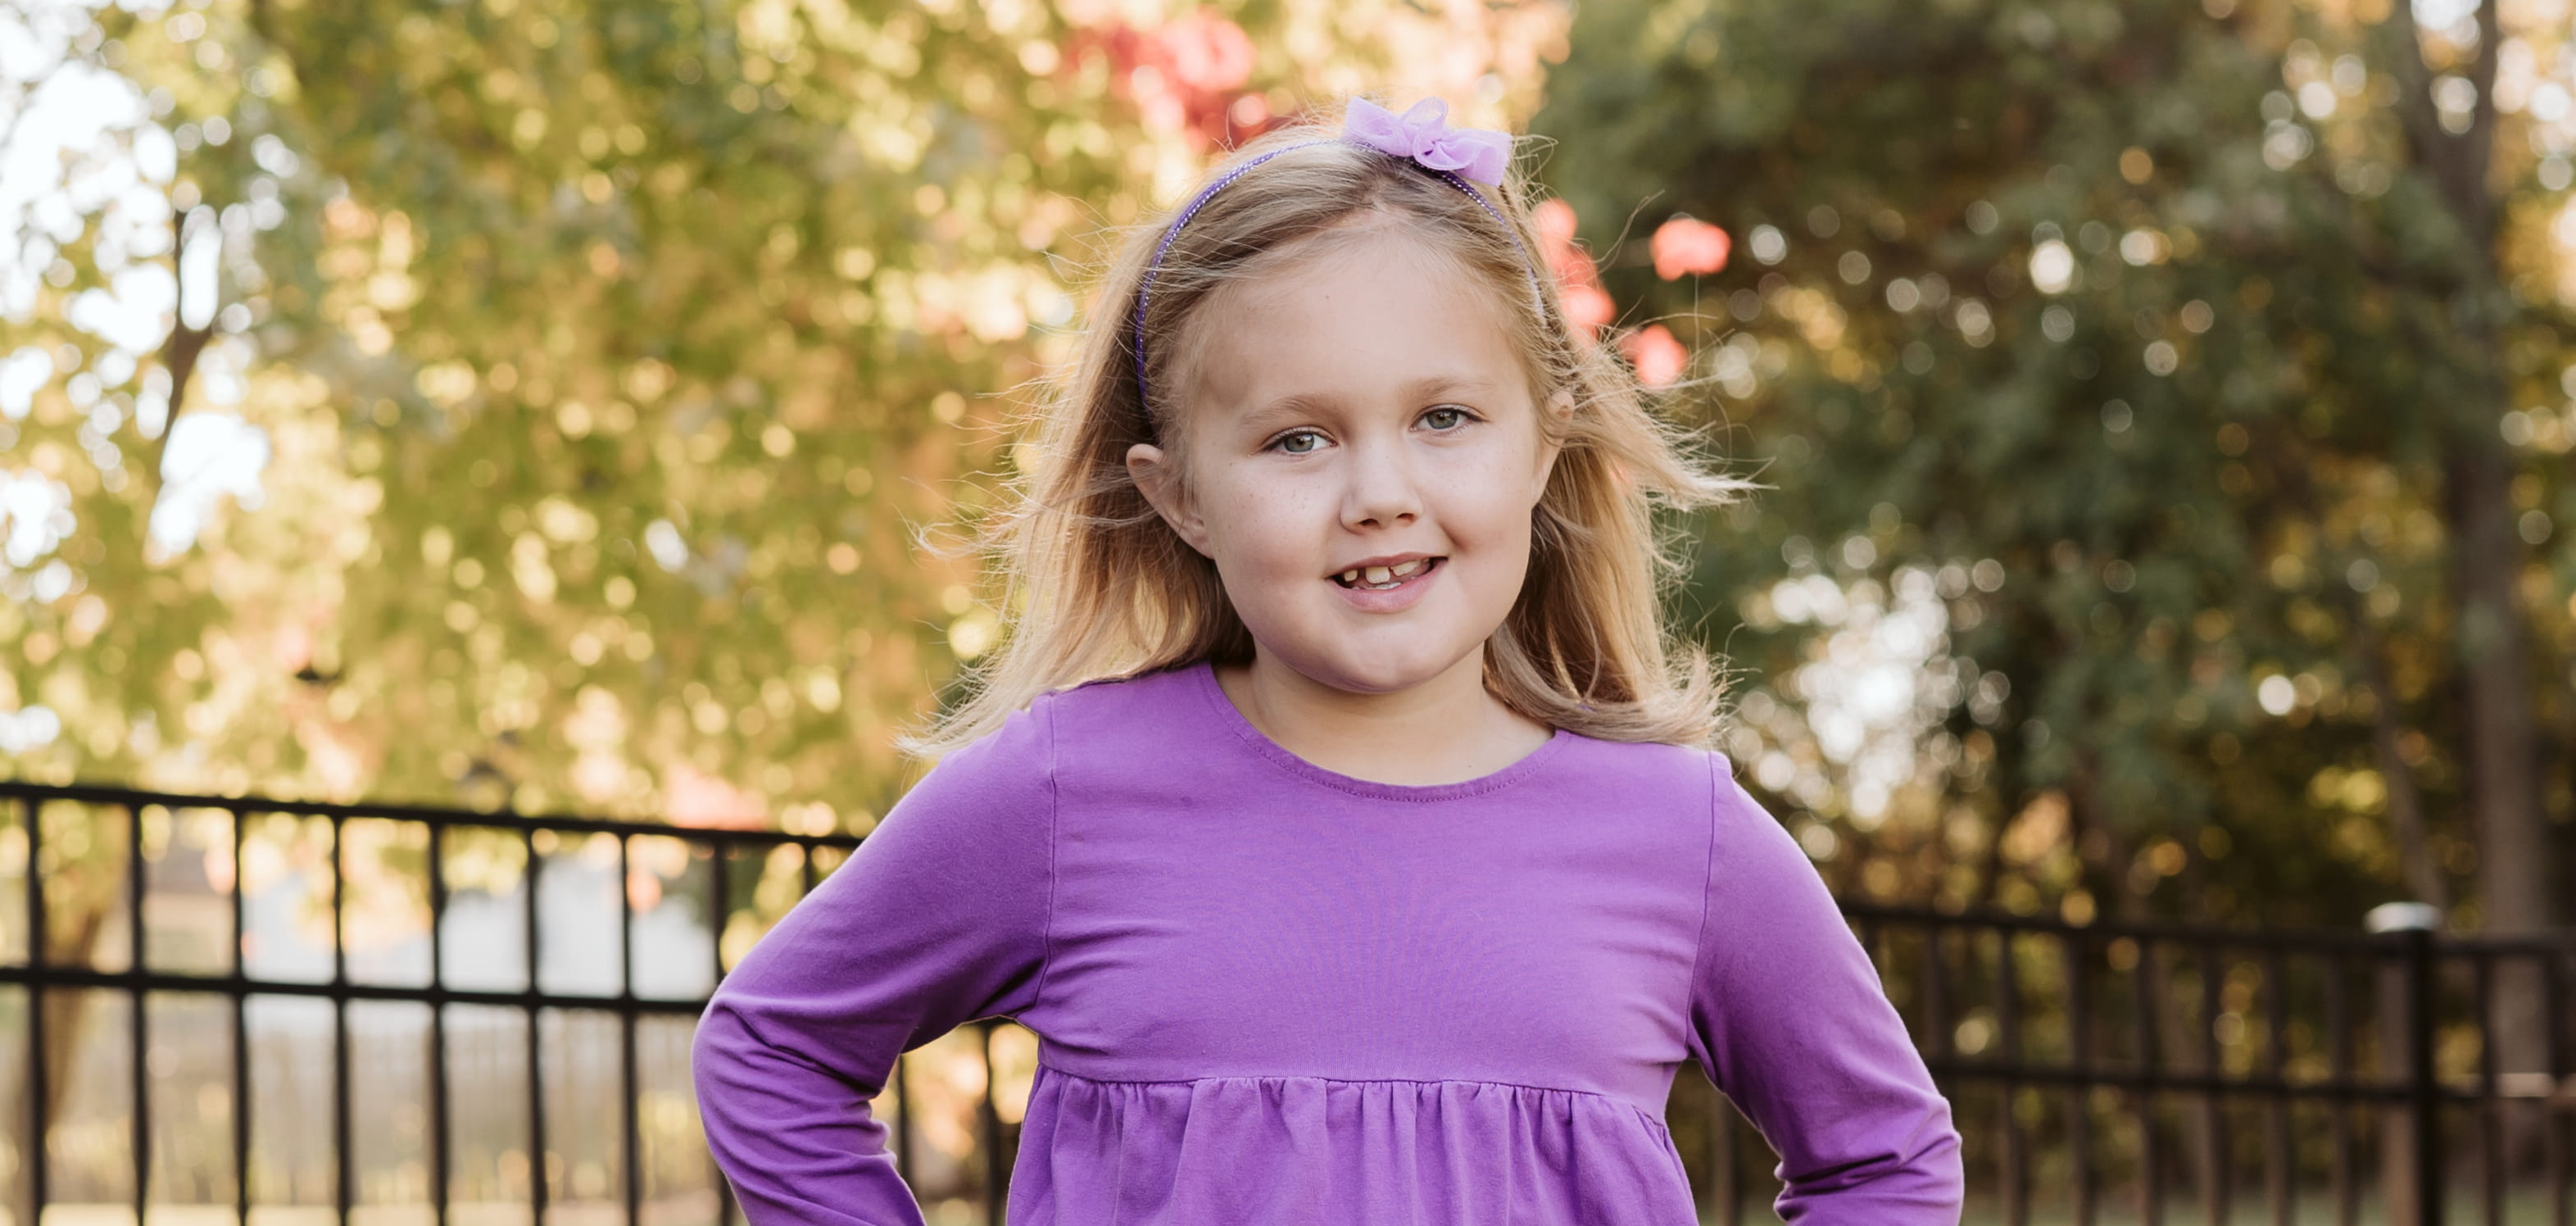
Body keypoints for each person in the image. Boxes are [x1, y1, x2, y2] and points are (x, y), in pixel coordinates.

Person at [689, 95, 1965, 1224]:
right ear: (1182, 495)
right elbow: (770, 1053)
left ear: (1544, 443)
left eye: (1445, 417)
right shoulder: (1064, 793)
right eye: (1297, 440)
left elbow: (1887, 1159)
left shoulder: (1682, 838)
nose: (1379, 494)